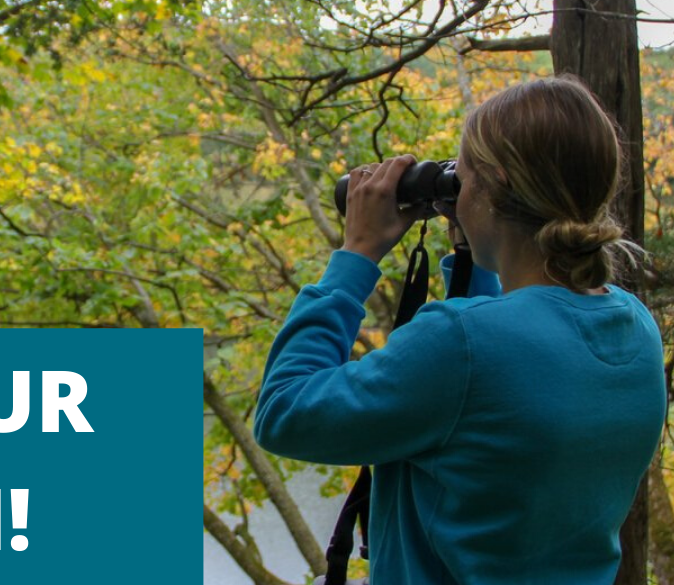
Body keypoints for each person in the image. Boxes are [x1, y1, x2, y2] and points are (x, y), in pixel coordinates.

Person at [253, 76, 666, 585]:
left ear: (495, 185)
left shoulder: (462, 344)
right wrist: (473, 246)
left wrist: (355, 256)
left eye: (461, 179)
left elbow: (284, 412)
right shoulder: (635, 327)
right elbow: (493, 393)